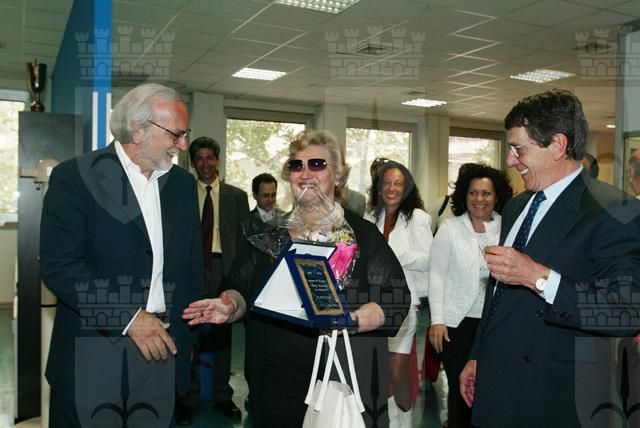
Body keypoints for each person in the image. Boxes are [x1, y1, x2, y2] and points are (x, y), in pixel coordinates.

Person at [183, 129, 411, 428]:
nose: (305, 174)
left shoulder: (363, 236)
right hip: (275, 376)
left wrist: (350, 320)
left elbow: (396, 299)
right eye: (296, 165)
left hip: (342, 374)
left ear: (338, 174)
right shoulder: (269, 236)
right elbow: (240, 286)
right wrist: (230, 305)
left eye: (317, 164)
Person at [460, 89, 640, 427]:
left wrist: (538, 277)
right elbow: (498, 295)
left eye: (519, 149)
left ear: (557, 145)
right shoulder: (516, 206)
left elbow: (625, 312)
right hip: (497, 384)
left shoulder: (615, 210)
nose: (510, 161)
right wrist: (478, 355)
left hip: (555, 397)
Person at [40, 83, 202, 427]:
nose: (183, 145)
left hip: (163, 350)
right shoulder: (75, 178)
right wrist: (128, 317)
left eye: (185, 134)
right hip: (93, 353)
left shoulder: (183, 185)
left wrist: (189, 336)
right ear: (138, 130)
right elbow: (60, 267)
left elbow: (190, 268)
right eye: (176, 134)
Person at [427, 163, 512, 428]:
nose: (479, 199)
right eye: (473, 192)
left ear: (496, 196)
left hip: (494, 324)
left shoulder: (507, 228)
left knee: (489, 391)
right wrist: (437, 320)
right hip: (456, 325)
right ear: (465, 195)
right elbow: (436, 276)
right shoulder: (450, 228)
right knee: (459, 392)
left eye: (486, 193)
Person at [184, 137, 249, 421]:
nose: (205, 164)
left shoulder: (237, 196)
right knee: (190, 334)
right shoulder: (183, 194)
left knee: (223, 336)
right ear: (192, 162)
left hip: (225, 270)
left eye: (210, 157)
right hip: (193, 271)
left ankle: (223, 396)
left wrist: (240, 278)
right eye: (199, 158)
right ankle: (187, 398)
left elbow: (244, 242)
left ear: (218, 160)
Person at [365, 160, 433, 428]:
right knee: (380, 373)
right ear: (379, 187)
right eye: (387, 182)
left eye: (398, 183)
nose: (391, 188)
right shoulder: (371, 217)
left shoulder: (418, 218)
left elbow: (429, 259)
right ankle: (388, 421)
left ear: (406, 189)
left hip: (403, 303)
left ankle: (404, 421)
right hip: (372, 304)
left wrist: (392, 255)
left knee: (397, 371)